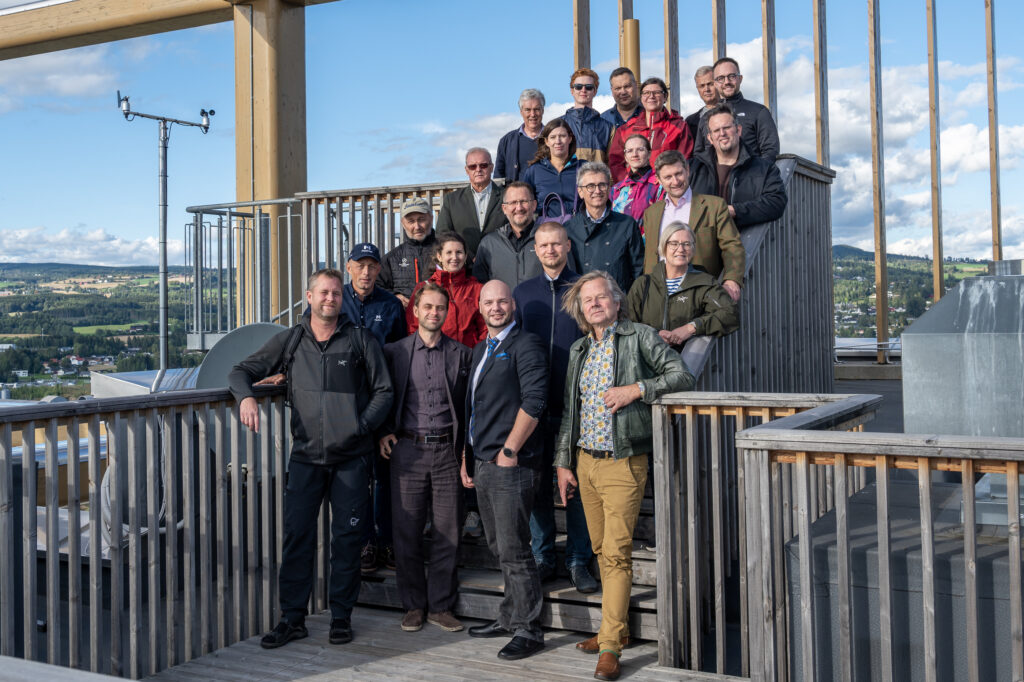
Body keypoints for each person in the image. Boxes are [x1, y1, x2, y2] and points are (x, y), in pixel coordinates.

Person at [229, 268, 393, 650]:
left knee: (348, 541)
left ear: (342, 299)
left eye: (336, 294)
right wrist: (247, 396)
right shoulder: (290, 341)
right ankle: (292, 620)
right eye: (323, 293)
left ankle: (340, 618)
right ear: (309, 296)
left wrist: (360, 427)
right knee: (297, 539)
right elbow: (241, 371)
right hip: (305, 459)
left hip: (352, 460)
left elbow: (385, 391)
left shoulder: (359, 340)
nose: (330, 299)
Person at [555, 271, 694, 681]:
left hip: (623, 461)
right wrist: (564, 463)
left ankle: (611, 644)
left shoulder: (639, 337)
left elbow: (682, 376)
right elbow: (569, 412)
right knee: (600, 549)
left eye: (602, 297)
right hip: (585, 461)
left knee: (615, 553)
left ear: (616, 302)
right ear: (580, 309)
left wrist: (636, 389)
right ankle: (616, 629)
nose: (595, 304)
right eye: (588, 300)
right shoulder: (579, 348)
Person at [379, 282, 473, 635]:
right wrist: (383, 430)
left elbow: (468, 406)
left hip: (448, 450)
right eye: (428, 307)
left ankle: (441, 606)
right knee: (407, 532)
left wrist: (467, 450)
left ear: (447, 313)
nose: (434, 313)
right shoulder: (395, 352)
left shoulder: (462, 355)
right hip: (407, 450)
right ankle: (414, 605)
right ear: (415, 312)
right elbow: (381, 394)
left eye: (440, 308)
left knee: (449, 530)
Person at [462, 280, 548, 661]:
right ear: (479, 307)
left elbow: (535, 400)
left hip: (511, 464)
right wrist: (469, 457)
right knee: (498, 546)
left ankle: (530, 628)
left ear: (512, 305)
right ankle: (510, 616)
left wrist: (510, 449)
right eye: (489, 302)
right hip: (483, 463)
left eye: (502, 301)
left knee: (514, 549)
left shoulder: (524, 344)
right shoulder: (481, 348)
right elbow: (475, 409)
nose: (496, 308)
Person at [512, 222, 597, 593]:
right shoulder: (523, 293)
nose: (549, 250)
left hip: (575, 404)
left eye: (556, 244)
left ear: (567, 245)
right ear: (535, 249)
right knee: (536, 487)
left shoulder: (582, 288)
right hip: (532, 405)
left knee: (575, 486)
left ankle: (579, 559)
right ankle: (544, 555)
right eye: (543, 245)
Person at [341, 243, 406, 574]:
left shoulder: (391, 304)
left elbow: (400, 355)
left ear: (380, 270)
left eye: (372, 266)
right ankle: (364, 542)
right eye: (360, 265)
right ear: (349, 266)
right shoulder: (333, 300)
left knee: (385, 478)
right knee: (356, 480)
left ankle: (387, 542)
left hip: (382, 403)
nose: (366, 272)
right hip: (347, 405)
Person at [641, 151, 745, 303]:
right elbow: (650, 256)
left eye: (678, 174)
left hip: (701, 293)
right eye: (668, 177)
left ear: (688, 170)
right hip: (660, 295)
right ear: (658, 180)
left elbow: (732, 246)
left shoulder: (714, 206)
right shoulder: (651, 213)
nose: (675, 181)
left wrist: (732, 280)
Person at [626, 221, 739, 349]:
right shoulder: (643, 284)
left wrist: (691, 328)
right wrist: (654, 335)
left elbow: (730, 313)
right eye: (674, 244)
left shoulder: (705, 283)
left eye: (686, 244)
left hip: (685, 362)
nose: (680, 249)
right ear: (664, 247)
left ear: (693, 249)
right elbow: (627, 325)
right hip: (646, 360)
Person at [687, 104, 787, 228]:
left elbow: (776, 203)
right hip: (700, 244)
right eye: (716, 130)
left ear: (738, 130)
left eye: (727, 127)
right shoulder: (692, 169)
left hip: (744, 242)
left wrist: (734, 211)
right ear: (710, 138)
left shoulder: (764, 169)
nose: (722, 133)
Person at [564, 161, 644, 294]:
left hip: (619, 303)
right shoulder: (569, 229)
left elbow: (638, 271)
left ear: (609, 188)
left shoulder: (626, 224)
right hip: (585, 303)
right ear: (580, 192)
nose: (597, 191)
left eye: (602, 185)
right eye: (590, 186)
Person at [406, 232, 486, 347]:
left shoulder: (477, 289)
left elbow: (485, 328)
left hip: (468, 358)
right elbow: (412, 327)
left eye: (459, 252)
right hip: (433, 357)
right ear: (439, 256)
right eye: (449, 252)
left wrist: (476, 353)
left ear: (465, 256)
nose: (454, 257)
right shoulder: (424, 288)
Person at [608, 77, 693, 183]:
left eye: (657, 92)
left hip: (666, 188)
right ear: (641, 97)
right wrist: (628, 183)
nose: (651, 96)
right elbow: (615, 162)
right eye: (646, 93)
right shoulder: (626, 129)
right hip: (633, 191)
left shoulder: (678, 126)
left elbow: (684, 159)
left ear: (665, 97)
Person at [473, 181, 556, 290]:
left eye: (524, 201)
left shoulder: (550, 240)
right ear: (504, 208)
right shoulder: (488, 244)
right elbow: (479, 288)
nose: (519, 208)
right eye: (512, 203)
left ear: (534, 205)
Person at [700, 57, 780, 163]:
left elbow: (770, 151)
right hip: (715, 178)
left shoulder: (759, 112)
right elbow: (699, 154)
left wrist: (756, 176)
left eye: (732, 76)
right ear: (715, 83)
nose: (727, 82)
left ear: (740, 79)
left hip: (751, 176)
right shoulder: (706, 117)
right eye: (721, 78)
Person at [435, 148, 505, 261]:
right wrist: (468, 257)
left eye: (483, 165)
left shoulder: (507, 197)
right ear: (467, 170)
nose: (478, 170)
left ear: (491, 167)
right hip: (464, 267)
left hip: (499, 263)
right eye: (473, 166)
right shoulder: (452, 200)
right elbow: (443, 235)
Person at [379, 197, 439, 306]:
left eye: (421, 219)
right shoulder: (391, 258)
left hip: (439, 318)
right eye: (411, 221)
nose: (417, 226)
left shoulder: (447, 252)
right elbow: (376, 287)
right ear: (403, 223)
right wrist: (393, 296)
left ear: (431, 218)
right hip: (404, 320)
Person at [521, 118, 580, 222]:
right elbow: (525, 203)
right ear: (546, 141)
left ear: (570, 139)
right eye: (553, 137)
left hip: (578, 230)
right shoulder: (534, 170)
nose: (558, 141)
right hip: (546, 232)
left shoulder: (583, 168)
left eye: (562, 136)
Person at [562, 68, 615, 164]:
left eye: (589, 87)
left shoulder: (608, 128)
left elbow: (613, 164)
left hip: (598, 178)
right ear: (572, 91)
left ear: (595, 91)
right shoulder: (559, 124)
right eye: (578, 86)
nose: (583, 90)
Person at [610, 134, 663, 224]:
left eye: (640, 150)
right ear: (625, 157)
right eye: (630, 151)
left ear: (649, 154)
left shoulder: (660, 184)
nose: (635, 154)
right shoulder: (616, 190)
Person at [495, 89, 545, 183]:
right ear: (521, 112)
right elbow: (498, 176)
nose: (532, 114)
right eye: (527, 110)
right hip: (517, 197)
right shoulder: (507, 141)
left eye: (536, 109)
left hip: (547, 196)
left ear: (542, 110)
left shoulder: (553, 138)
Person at [685, 65, 720, 151]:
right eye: (702, 86)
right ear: (697, 89)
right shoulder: (690, 121)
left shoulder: (733, 112)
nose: (706, 89)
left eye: (710, 84)